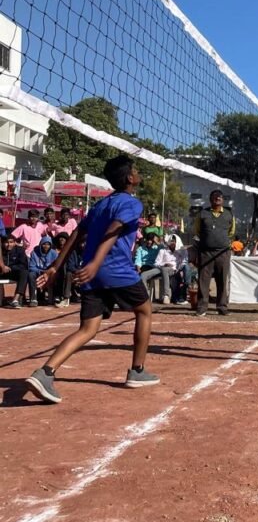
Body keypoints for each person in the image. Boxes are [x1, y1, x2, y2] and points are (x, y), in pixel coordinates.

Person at [24, 156, 158, 404]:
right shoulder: (131, 203)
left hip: (90, 272)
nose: (138, 173)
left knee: (87, 329)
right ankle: (137, 371)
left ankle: (45, 373)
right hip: (115, 271)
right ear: (129, 178)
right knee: (145, 311)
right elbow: (114, 230)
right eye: (136, 170)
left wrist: (55, 267)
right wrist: (96, 263)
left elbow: (77, 232)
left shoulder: (101, 204)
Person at [194, 189, 235, 316]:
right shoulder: (202, 214)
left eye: (219, 197)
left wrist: (220, 241)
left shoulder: (229, 214)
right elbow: (197, 231)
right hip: (206, 252)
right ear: (210, 199)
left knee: (222, 280)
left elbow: (231, 232)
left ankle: (222, 307)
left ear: (222, 200)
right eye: (215, 197)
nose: (217, 199)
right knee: (203, 281)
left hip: (223, 253)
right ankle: (202, 308)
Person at [1, 235, 30, 308]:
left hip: (13, 273)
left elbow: (23, 265)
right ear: (2, 243)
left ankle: (15, 299)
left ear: (14, 243)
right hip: (1, 272)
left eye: (11, 242)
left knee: (24, 272)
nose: (9, 244)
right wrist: (2, 267)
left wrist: (10, 268)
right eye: (6, 242)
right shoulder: (0, 250)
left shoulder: (20, 250)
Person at [52, 231, 80, 307]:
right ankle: (57, 295)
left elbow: (72, 265)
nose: (61, 240)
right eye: (60, 238)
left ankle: (66, 298)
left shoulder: (71, 251)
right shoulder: (54, 251)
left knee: (68, 274)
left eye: (63, 239)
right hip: (58, 272)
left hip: (70, 272)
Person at [29, 236, 56, 305]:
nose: (46, 246)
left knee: (56, 274)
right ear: (40, 244)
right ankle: (33, 299)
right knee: (31, 275)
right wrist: (41, 271)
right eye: (44, 244)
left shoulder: (54, 253)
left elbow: (56, 266)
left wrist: (48, 272)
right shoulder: (34, 253)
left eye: (48, 244)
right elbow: (31, 267)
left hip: (49, 274)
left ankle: (54, 297)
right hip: (38, 272)